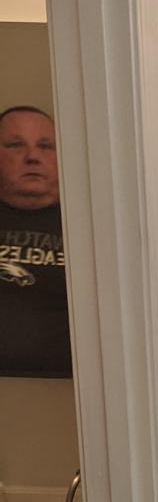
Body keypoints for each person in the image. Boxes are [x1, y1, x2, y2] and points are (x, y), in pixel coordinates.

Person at [0, 104, 71, 377]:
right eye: (15, 145)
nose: (32, 157)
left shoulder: (92, 227)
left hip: (69, 389)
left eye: (45, 146)